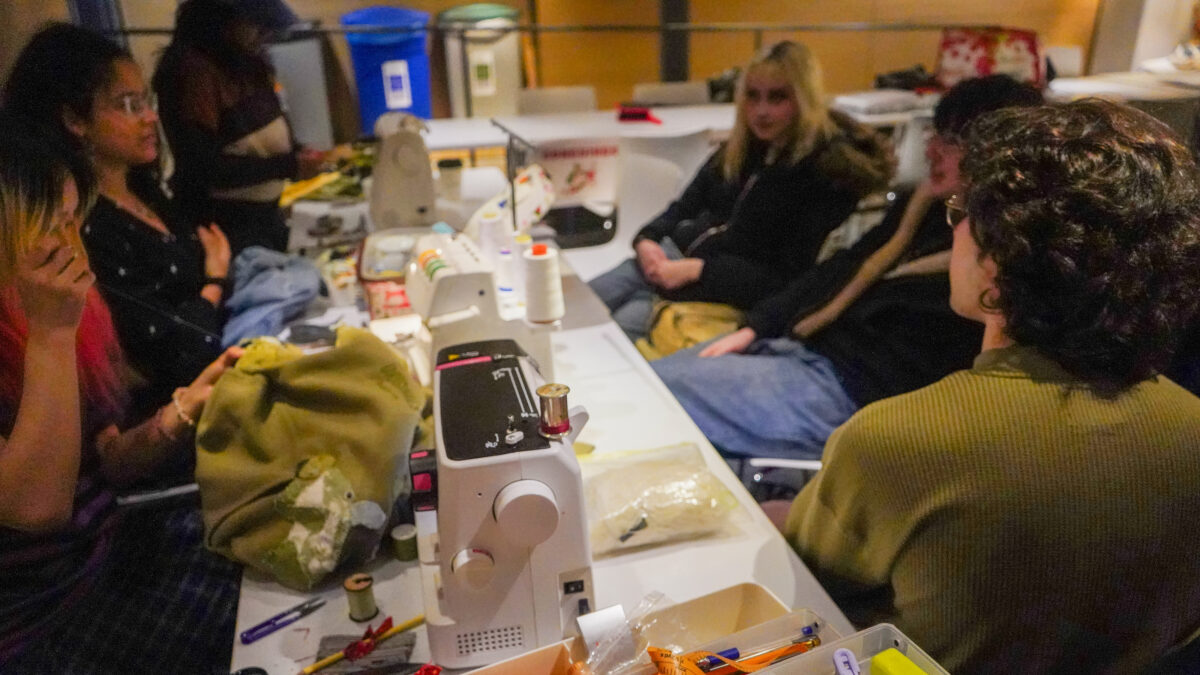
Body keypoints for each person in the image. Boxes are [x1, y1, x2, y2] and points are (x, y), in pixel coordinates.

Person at [781, 100, 1200, 674]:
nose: (953, 228)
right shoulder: (1190, 430)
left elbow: (805, 590)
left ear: (998, 258)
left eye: (962, 211)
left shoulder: (897, 440)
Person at [651, 75, 1042, 459]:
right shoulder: (927, 211)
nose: (932, 150)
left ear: (998, 155)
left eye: (953, 141)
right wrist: (758, 326)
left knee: (652, 392)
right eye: (934, 133)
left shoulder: (1001, 255)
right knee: (647, 377)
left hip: (849, 395)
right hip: (808, 350)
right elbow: (843, 265)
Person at [0, 119, 241, 673]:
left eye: (73, 223)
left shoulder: (53, 312)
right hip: (40, 623)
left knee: (268, 539)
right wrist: (52, 334)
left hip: (106, 555)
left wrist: (184, 408)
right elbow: (37, 507)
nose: (73, 246)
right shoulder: (49, 322)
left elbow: (106, 459)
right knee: (252, 611)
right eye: (52, 227)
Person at [589, 41, 893, 341]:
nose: (761, 111)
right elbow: (684, 206)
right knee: (578, 308)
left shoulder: (827, 175)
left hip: (718, 293)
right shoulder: (739, 150)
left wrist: (701, 271)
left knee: (610, 334)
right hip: (670, 260)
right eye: (752, 96)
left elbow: (788, 280)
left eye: (777, 98)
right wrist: (647, 239)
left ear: (804, 98)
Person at [4, 24, 230, 417]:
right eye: (128, 105)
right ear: (76, 119)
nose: (148, 119)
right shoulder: (87, 227)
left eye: (147, 102)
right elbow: (158, 352)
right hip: (169, 411)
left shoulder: (144, 189)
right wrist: (214, 282)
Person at [153, 0, 323, 255]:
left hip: (265, 218)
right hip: (227, 229)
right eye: (256, 24)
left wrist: (297, 152)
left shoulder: (243, 60)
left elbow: (263, 122)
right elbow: (203, 166)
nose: (264, 33)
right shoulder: (193, 70)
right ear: (222, 20)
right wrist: (290, 165)